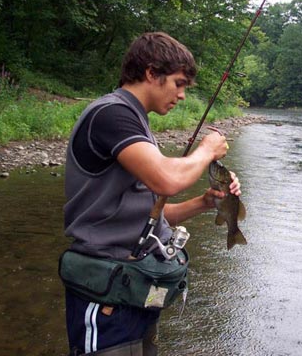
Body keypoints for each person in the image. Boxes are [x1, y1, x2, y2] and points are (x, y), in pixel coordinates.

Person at [62, 32, 241, 355]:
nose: (183, 95)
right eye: (179, 83)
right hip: (105, 292)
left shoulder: (137, 122)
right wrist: (206, 150)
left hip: (141, 287)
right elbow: (164, 180)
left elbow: (147, 215)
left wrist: (205, 202)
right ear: (151, 72)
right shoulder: (111, 114)